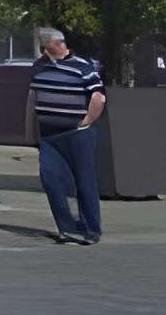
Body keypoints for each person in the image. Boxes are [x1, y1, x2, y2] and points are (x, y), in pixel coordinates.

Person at [27, 26, 108, 243]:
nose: (42, 50)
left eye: (44, 46)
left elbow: (98, 97)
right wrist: (31, 132)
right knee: (50, 178)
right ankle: (67, 227)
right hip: (49, 136)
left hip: (77, 134)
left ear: (56, 44)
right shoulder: (39, 67)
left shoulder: (82, 67)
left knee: (84, 181)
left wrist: (86, 121)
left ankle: (91, 230)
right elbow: (33, 97)